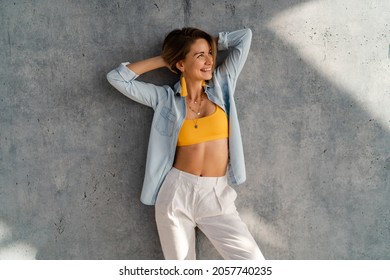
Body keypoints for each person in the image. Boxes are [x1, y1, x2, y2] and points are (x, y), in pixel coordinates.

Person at [107, 27, 264, 260]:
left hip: (216, 195)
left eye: (209, 53)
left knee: (253, 264)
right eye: (199, 55)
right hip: (176, 193)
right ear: (181, 64)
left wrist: (215, 43)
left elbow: (245, 37)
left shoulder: (222, 83)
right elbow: (117, 78)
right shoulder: (164, 99)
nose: (209, 60)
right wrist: (165, 59)